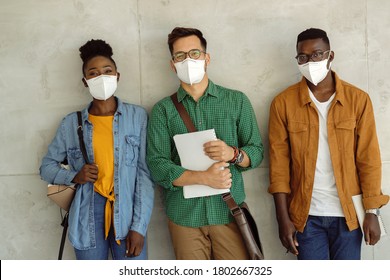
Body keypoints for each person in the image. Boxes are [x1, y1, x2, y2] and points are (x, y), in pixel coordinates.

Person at [268, 28, 389, 260]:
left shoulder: (358, 100)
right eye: (302, 57)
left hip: (349, 215)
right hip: (306, 217)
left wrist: (371, 211)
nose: (310, 61)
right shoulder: (283, 103)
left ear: (330, 56)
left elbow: (369, 159)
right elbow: (279, 167)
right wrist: (282, 220)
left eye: (317, 54)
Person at [146, 27, 264, 260]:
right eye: (180, 56)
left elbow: (257, 151)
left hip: (228, 213)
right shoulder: (163, 110)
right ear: (173, 64)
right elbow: (157, 164)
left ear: (206, 58)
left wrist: (233, 154)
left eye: (194, 53)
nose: (188, 60)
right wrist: (203, 178)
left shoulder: (236, 101)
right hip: (185, 217)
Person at [39, 39, 154, 260]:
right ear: (85, 82)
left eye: (107, 71)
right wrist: (75, 175)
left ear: (117, 76)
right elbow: (46, 168)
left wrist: (139, 227)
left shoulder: (136, 117)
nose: (101, 77)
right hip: (87, 215)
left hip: (128, 213)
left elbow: (144, 175)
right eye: (93, 73)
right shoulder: (71, 123)